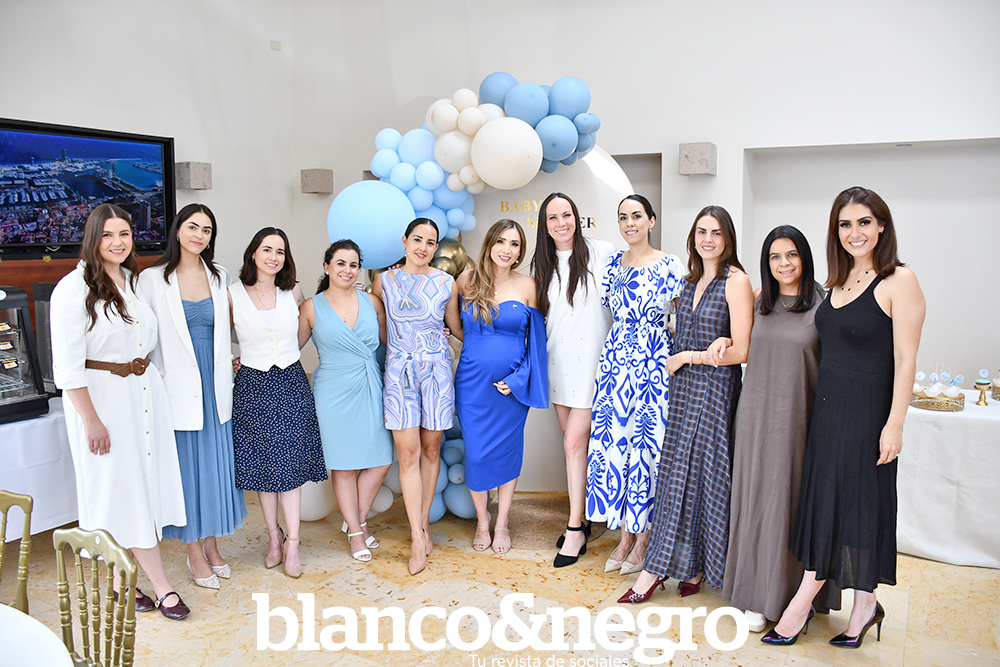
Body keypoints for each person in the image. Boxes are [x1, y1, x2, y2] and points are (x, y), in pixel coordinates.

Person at [763, 187, 924, 648]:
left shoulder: (899, 281)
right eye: (845, 224)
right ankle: (865, 604)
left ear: (882, 226)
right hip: (828, 414)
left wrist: (895, 425)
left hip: (869, 417)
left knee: (860, 507)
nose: (855, 233)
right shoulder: (836, 282)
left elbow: (906, 360)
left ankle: (808, 603)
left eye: (864, 222)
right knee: (828, 505)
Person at [50, 203, 190, 620]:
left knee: (139, 488)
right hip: (103, 402)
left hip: (142, 397)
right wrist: (91, 420)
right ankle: (162, 586)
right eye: (108, 235)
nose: (117, 242)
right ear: (93, 239)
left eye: (124, 234)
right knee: (119, 491)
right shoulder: (72, 290)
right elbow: (68, 368)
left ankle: (117, 583)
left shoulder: (132, 281)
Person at [620, 205, 754, 603]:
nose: (708, 240)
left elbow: (742, 350)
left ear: (727, 238)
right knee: (678, 474)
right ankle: (687, 566)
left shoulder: (736, 281)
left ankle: (656, 572)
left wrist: (688, 357)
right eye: (701, 232)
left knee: (707, 477)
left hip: (715, 389)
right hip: (681, 389)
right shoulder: (688, 280)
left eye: (716, 232)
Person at [721, 225, 840, 632]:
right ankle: (754, 593)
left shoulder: (825, 305)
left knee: (786, 505)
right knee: (754, 503)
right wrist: (720, 344)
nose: (783, 263)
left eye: (791, 254)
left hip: (798, 420)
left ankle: (791, 599)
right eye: (774, 256)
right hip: (754, 418)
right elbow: (741, 346)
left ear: (804, 257)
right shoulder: (760, 301)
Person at [139, 204, 247, 590]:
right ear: (177, 230)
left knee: (216, 469)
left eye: (206, 230)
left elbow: (231, 328)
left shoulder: (219, 276)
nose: (199, 235)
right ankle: (193, 551)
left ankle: (213, 545)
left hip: (214, 385)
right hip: (176, 388)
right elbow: (145, 338)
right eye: (192, 227)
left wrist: (237, 358)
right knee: (187, 472)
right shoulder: (152, 279)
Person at [587, 195, 685, 575]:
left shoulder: (669, 264)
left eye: (637, 216)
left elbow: (684, 316)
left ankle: (643, 539)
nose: (630, 223)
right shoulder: (612, 263)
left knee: (646, 448)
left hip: (653, 360)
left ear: (651, 221)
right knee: (616, 445)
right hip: (615, 361)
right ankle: (624, 536)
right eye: (623, 217)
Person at [230, 227, 327, 579]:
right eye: (267, 249)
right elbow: (214, 339)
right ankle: (274, 537)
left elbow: (305, 333)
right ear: (253, 253)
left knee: (289, 468)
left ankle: (293, 544)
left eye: (280, 251)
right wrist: (233, 361)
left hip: (290, 383)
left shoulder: (293, 291)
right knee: (262, 468)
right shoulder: (231, 295)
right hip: (252, 386)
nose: (273, 257)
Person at [371, 218, 462, 575]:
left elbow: (454, 327)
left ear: (436, 247)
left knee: (431, 449)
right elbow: (379, 329)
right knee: (407, 454)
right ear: (405, 241)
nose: (423, 247)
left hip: (437, 372)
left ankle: (423, 525)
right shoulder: (385, 281)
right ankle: (415, 538)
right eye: (417, 239)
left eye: (430, 242)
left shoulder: (445, 283)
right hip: (399, 373)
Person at [530, 192, 616, 568]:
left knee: (573, 444)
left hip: (594, 366)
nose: (561, 222)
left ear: (576, 218)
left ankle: (575, 528)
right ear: (545, 226)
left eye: (567, 215)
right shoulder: (541, 264)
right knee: (577, 449)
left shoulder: (602, 252)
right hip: (558, 365)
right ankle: (585, 516)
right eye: (553, 217)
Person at [454, 219, 548, 554]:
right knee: (476, 453)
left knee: (508, 453)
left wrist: (518, 380)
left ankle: (503, 522)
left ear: (521, 252)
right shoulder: (466, 280)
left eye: (515, 244)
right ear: (489, 244)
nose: (507, 250)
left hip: (510, 391)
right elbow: (455, 325)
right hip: (472, 386)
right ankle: (483, 520)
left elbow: (537, 344)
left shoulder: (529, 286)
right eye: (501, 242)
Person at [297, 240, 393, 562]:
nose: (347, 270)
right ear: (327, 267)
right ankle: (356, 532)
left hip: (369, 385)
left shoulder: (372, 302)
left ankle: (357, 521)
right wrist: (248, 358)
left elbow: (391, 341)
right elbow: (289, 349)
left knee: (381, 461)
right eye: (340, 263)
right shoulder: (311, 307)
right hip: (332, 392)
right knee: (344, 466)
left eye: (353, 265)